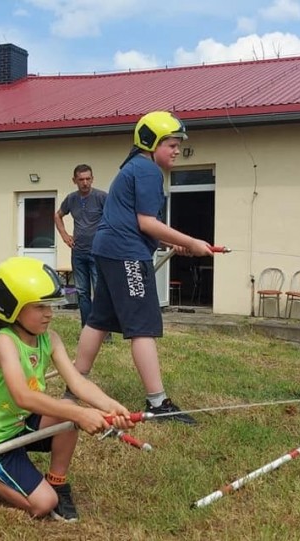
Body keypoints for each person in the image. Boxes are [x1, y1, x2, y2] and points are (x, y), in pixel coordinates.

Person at [0, 256, 133, 522]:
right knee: (43, 505)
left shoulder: (49, 338)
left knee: (69, 409)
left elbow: (77, 383)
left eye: (50, 305)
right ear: (12, 308)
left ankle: (57, 482)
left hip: (22, 424)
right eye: (40, 306)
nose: (49, 313)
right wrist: (79, 416)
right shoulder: (4, 342)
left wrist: (111, 406)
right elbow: (23, 396)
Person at [70, 111, 214, 425]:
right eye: (171, 144)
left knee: (99, 319)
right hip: (126, 256)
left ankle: (75, 384)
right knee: (144, 326)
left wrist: (170, 242)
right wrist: (191, 242)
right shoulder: (149, 171)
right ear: (150, 143)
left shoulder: (133, 167)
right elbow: (146, 222)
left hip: (107, 251)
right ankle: (159, 403)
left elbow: (139, 224)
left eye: (178, 145)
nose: (177, 150)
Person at [53, 164, 107, 331]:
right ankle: (87, 330)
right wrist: (64, 236)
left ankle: (104, 331)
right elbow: (58, 215)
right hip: (78, 253)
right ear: (74, 180)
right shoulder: (71, 199)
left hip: (97, 253)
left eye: (88, 179)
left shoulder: (102, 197)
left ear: (92, 179)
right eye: (81, 179)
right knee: (82, 293)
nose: (85, 182)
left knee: (100, 293)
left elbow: (113, 219)